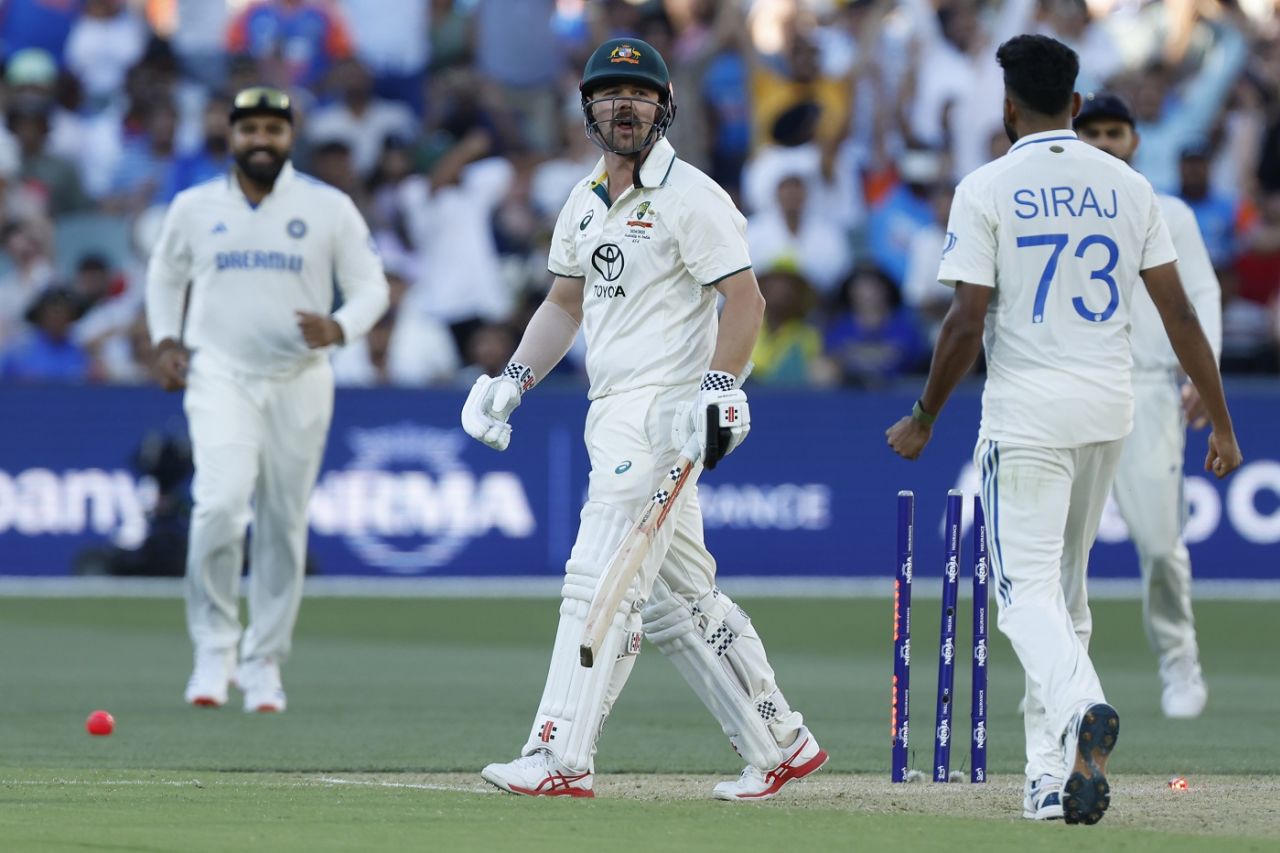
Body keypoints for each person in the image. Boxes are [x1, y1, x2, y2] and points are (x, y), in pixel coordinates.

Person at [886, 35, 1241, 826]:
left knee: (1018, 596)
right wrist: (1220, 421)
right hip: (1109, 408)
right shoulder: (1125, 186)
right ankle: (1048, 779)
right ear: (1077, 107)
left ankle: (1084, 707)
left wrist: (924, 415)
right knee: (1065, 600)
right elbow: (1180, 313)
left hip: (1028, 414)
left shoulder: (985, 186)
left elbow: (965, 321)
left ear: (1008, 109)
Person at [461, 37, 826, 801]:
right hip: (612, 409)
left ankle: (559, 752)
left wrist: (721, 384)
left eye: (640, 96)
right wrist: (513, 380)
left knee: (599, 575)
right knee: (678, 603)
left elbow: (747, 299)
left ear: (664, 108)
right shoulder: (582, 200)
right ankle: (778, 738)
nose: (625, 107)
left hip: (666, 415)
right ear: (589, 110)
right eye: (609, 96)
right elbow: (564, 305)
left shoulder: (693, 196)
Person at [145, 86, 389, 713]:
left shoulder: (328, 206)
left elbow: (371, 287)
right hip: (219, 373)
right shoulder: (194, 206)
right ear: (231, 135)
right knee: (219, 505)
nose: (261, 141)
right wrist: (165, 339)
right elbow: (165, 274)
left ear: (290, 137)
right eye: (249, 129)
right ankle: (213, 648)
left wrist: (340, 328)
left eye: (273, 131)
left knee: (283, 523)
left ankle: (264, 663)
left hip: (300, 378)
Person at [1074, 92, 1221, 719]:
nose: (1106, 143)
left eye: (1116, 133)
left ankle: (1179, 661)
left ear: (1135, 142)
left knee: (1162, 545)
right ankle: (1069, 679)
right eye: (1095, 133)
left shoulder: (1171, 213)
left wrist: (1201, 374)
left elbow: (1201, 294)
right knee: (1060, 550)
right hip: (1074, 383)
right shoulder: (1060, 213)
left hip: (1151, 384)